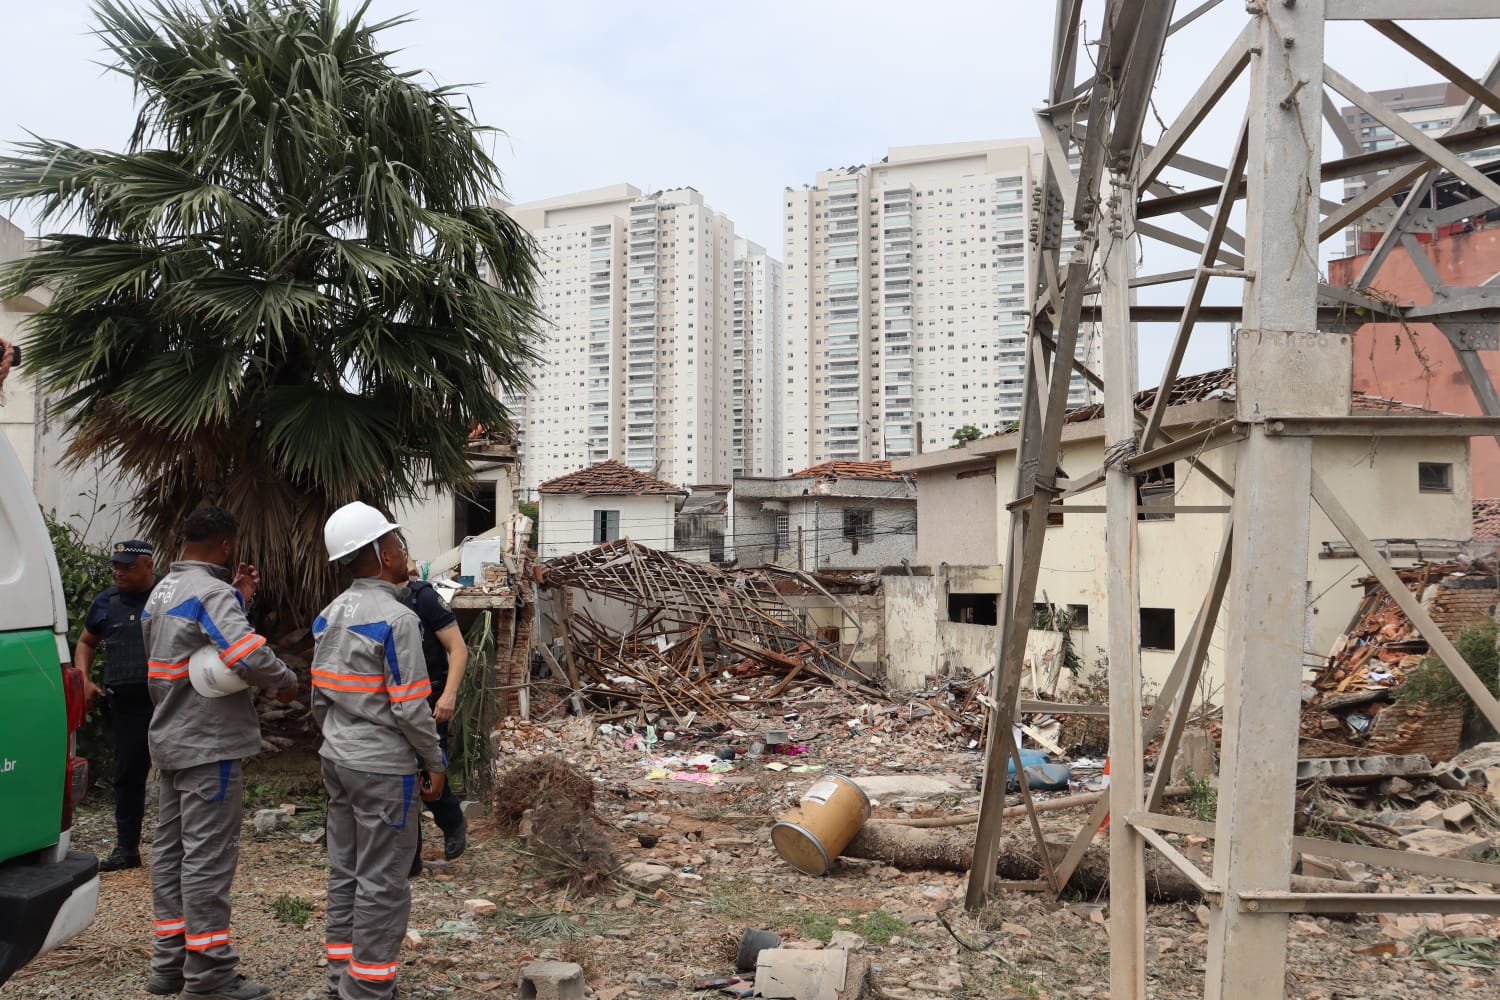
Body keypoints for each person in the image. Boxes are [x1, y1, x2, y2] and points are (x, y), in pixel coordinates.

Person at [141, 506, 299, 1000]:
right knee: (208, 859)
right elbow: (243, 654)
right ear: (227, 546)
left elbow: (195, 649)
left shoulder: (162, 591)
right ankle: (209, 975)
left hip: (169, 737)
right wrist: (287, 681)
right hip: (209, 743)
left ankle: (169, 964)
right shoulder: (210, 592)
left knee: (171, 854)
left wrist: (240, 600)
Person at [312, 502, 445, 1000]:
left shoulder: (329, 616)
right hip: (383, 769)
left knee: (346, 871)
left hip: (338, 759)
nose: (405, 552)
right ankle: (367, 988)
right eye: (399, 543)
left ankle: (339, 980)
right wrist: (433, 761)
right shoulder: (397, 618)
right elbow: (412, 710)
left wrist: (339, 741)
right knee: (383, 880)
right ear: (383, 554)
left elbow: (318, 698)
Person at [76, 539, 158, 872]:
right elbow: (86, 641)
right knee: (128, 776)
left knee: (182, 773)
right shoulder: (106, 602)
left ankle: (187, 849)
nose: (118, 571)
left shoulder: (168, 593)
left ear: (148, 565)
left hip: (170, 700)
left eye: (127, 566)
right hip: (126, 704)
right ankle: (127, 849)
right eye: (116, 565)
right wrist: (83, 679)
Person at [403, 572, 469, 875]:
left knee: (430, 774)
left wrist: (449, 695)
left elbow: (458, 648)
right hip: (396, 703)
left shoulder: (424, 598)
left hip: (431, 700)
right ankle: (410, 857)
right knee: (401, 778)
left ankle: (452, 821)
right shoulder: (371, 600)